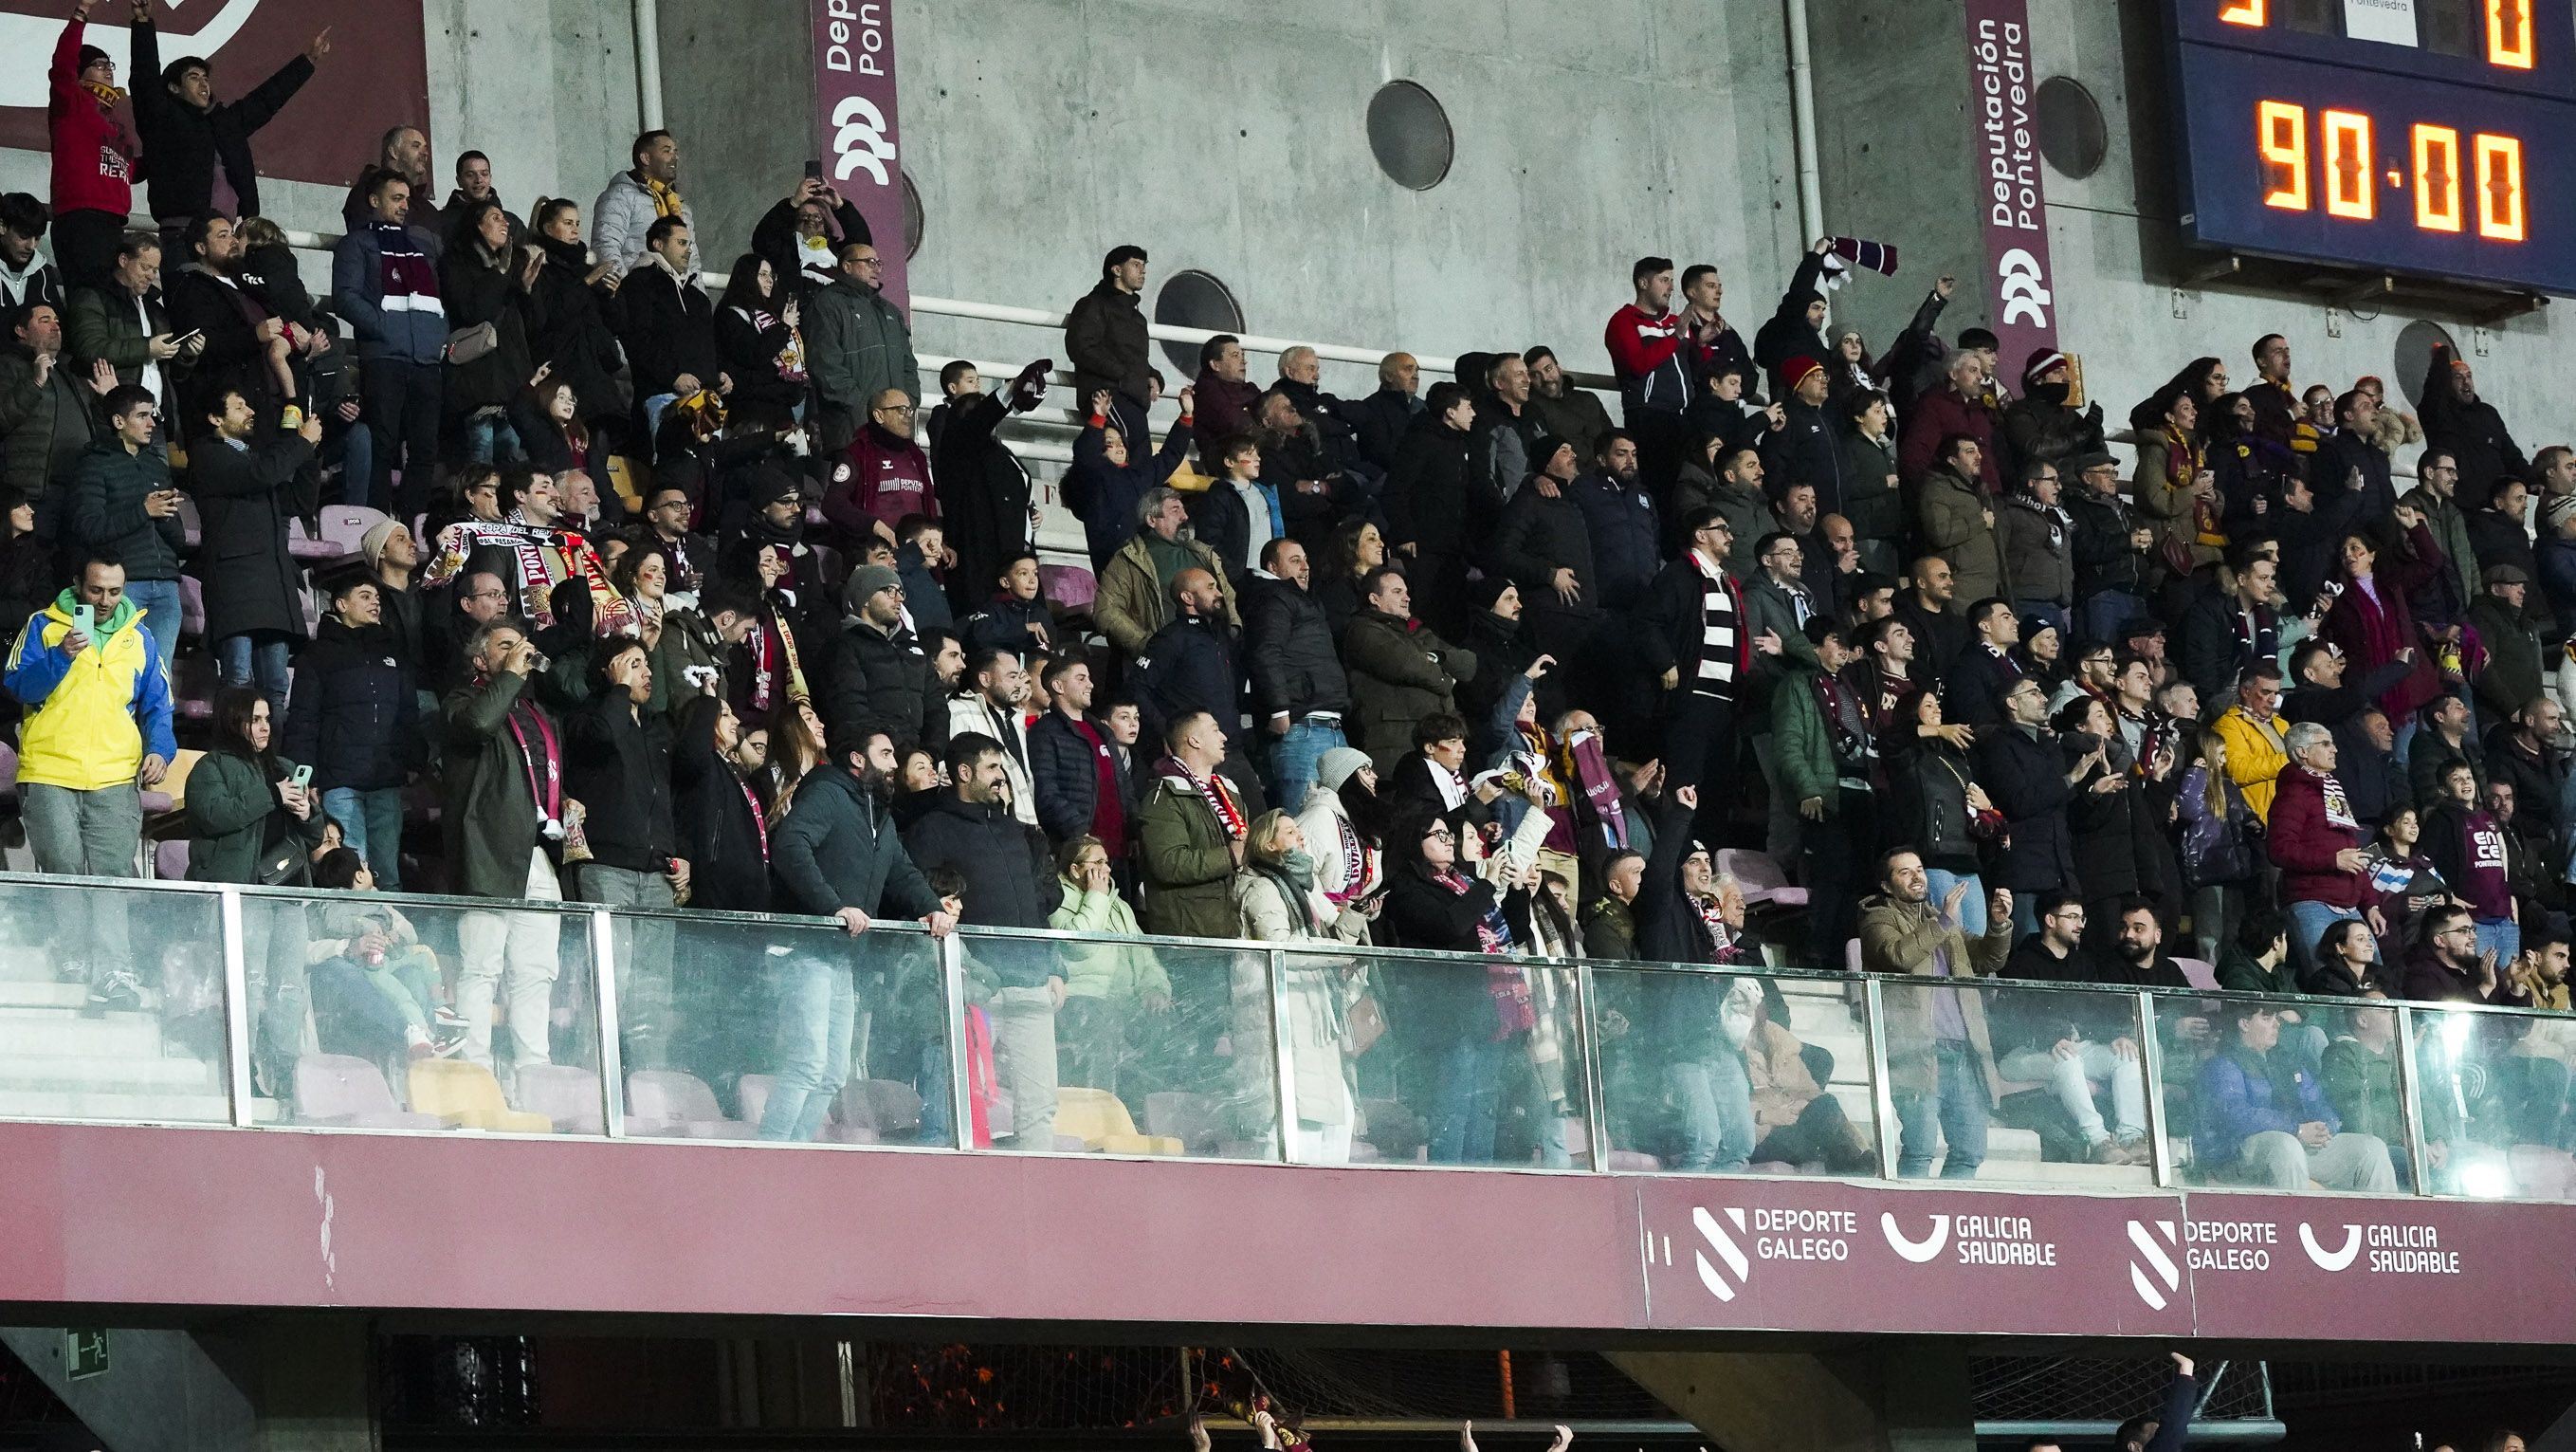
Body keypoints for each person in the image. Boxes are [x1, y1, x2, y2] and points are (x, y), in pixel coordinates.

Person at [4, 549, 173, 1009]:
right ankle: (74, 958)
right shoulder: (44, 625)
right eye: (96, 589)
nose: (104, 599)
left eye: (114, 591)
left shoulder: (139, 637)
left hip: (114, 776)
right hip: (50, 769)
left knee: (112, 875)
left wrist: (159, 749)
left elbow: (159, 704)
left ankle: (115, 969)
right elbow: (19, 685)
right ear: (78, 584)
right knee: (63, 866)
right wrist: (60, 656)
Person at [902, 732, 1066, 1150]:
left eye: (1002, 768)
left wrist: (1055, 966)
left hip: (1031, 983)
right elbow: (918, 898)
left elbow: (1036, 907)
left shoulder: (1017, 832)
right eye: (992, 768)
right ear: (963, 772)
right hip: (975, 990)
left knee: (1041, 1102)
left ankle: (1037, 1196)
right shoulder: (932, 830)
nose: (1001, 777)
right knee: (963, 1100)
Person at [441, 619, 574, 1092]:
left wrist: (565, 803)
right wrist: (511, 676)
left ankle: (534, 1073)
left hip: (537, 854)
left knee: (536, 973)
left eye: (522, 643)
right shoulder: (461, 702)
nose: (520, 650)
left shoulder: (538, 712)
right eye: (505, 645)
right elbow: (478, 724)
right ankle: (474, 1075)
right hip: (488, 852)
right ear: (480, 661)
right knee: (481, 969)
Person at [1860, 847, 2013, 1178]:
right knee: (1919, 1150)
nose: (1917, 877)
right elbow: (1898, 956)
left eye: (1920, 869)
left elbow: (1987, 959)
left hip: (1964, 1053)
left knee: (1970, 1151)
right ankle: (1909, 1219)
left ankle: (1951, 1219)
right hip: (1916, 1053)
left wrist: (1999, 926)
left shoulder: (1938, 920)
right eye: (1905, 872)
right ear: (1887, 886)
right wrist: (1944, 920)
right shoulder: (1878, 917)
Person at [1231, 809, 1371, 1160]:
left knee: (1337, 1119)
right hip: (1286, 1017)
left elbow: (1325, 939)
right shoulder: (1263, 888)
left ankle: (1325, 1207)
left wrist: (1355, 917)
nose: (1301, 837)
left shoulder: (1301, 888)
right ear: (1269, 843)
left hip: (1311, 1016)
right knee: (1297, 1128)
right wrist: (1339, 954)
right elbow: (1283, 948)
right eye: (1291, 832)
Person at [127, 6, 323, 232]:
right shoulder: (162, 119)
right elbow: (145, 79)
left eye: (205, 78)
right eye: (193, 77)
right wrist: (142, 23)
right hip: (183, 232)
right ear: (174, 87)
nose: (204, 84)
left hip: (225, 235)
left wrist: (307, 61)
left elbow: (265, 100)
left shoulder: (224, 122)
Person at [283, 571, 419, 891]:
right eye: (365, 596)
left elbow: (407, 713)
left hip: (386, 780)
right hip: (340, 781)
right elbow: (303, 719)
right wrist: (307, 779)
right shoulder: (318, 656)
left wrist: (413, 760)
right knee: (350, 873)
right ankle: (354, 939)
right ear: (341, 604)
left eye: (377, 598)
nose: (375, 603)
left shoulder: (394, 653)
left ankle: (390, 937)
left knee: (387, 873)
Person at [188, 386, 319, 712]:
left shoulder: (254, 459)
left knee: (275, 687)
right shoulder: (208, 454)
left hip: (272, 584)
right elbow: (261, 475)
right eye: (239, 406)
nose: (250, 412)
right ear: (215, 418)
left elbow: (299, 500)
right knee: (238, 682)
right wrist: (300, 443)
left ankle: (269, 760)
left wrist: (310, 453)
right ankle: (235, 757)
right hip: (235, 583)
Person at [1994, 894, 2151, 1166]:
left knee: (2126, 1057)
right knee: (2068, 1061)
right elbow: (2014, 1018)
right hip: (2023, 1052)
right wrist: (2051, 1038)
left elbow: (2099, 1010)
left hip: (2075, 1047)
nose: (2080, 925)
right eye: (2073, 917)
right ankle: (2098, 1141)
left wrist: (2115, 1036)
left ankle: (2130, 1138)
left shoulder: (2084, 964)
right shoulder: (2021, 962)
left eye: (2082, 918)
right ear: (2050, 920)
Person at [333, 170, 446, 515]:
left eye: (406, 199)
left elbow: (439, 299)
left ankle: (412, 524)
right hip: (384, 357)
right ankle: (380, 524)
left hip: (426, 360)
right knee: (383, 445)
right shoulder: (356, 243)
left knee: (425, 450)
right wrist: (383, 328)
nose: (404, 205)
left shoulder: (421, 245)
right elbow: (345, 298)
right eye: (396, 198)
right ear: (374, 200)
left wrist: (437, 336)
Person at [2194, 1002, 2399, 1191]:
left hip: (2298, 1144)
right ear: (2244, 1024)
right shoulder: (2222, 1064)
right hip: (2236, 1155)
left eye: (2276, 1018)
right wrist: (2296, 1129)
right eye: (2267, 1018)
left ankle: (2384, 1227)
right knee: (2286, 1146)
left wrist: (2325, 1127)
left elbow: (2317, 1101)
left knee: (2372, 1150)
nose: (2277, 1024)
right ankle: (2293, 1225)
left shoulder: (2287, 1062)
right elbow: (2236, 1116)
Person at [1773, 617, 1873, 963]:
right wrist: (1807, 789)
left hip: (1861, 795)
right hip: (1825, 797)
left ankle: (1847, 957)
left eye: (1847, 642)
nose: (1844, 649)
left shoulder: (1848, 683)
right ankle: (1816, 955)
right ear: (1814, 647)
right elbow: (1789, 744)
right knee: (1832, 877)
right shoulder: (1797, 685)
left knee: (1858, 882)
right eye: (1835, 640)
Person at [66, 383, 186, 671]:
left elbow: (179, 540)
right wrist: (143, 510)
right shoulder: (95, 464)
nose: (152, 423)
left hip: (167, 586)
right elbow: (88, 528)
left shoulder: (157, 467)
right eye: (142, 415)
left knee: (159, 679)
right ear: (119, 422)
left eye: (153, 415)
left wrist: (165, 514)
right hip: (122, 587)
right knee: (116, 675)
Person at [1050, 834, 1167, 1096]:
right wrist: (1096, 897)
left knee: (1174, 1032)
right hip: (1084, 1000)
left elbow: (1145, 955)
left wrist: (1155, 989)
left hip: (1126, 1000)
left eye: (1108, 861)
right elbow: (1079, 944)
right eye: (1098, 862)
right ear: (1075, 869)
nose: (1107, 868)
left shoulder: (1120, 906)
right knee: (1101, 1029)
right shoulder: (1057, 899)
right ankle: (1100, 1117)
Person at [1241, 538, 1353, 812]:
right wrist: (1279, 709)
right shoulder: (1273, 597)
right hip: (1303, 730)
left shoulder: (1302, 600)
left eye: (1306, 560)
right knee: (1302, 825)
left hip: (1330, 728)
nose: (1305, 567)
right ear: (1272, 566)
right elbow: (1266, 651)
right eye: (1294, 561)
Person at [1343, 566, 1478, 777]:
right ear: (1374, 599)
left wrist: (1437, 657)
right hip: (1397, 747)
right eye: (1397, 592)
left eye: (1406, 592)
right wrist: (1445, 680)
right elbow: (1407, 665)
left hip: (1441, 746)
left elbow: (1467, 665)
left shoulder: (1419, 633)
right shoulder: (1363, 631)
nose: (1406, 598)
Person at [2269, 720, 2381, 968]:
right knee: (2329, 979)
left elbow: (2351, 852)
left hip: (2350, 905)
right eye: (2326, 744)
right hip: (2312, 904)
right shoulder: (2294, 794)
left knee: (2375, 980)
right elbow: (2279, 849)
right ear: (2302, 752)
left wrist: (2370, 903)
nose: (2335, 749)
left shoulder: (2333, 792)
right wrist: (2333, 860)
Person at [46, 2, 139, 289]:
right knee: (90, 303)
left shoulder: (115, 121)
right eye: (98, 65)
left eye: (109, 65)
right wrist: (81, 13)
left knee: (111, 307)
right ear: (80, 73)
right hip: (81, 219)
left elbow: (130, 171)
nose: (107, 70)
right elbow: (62, 65)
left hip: (113, 222)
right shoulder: (71, 102)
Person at [806, 242, 915, 452]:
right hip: (852, 428)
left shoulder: (891, 311)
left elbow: (908, 363)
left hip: (896, 425)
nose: (876, 268)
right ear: (846, 267)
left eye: (878, 263)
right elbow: (824, 364)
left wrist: (909, 400)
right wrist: (862, 406)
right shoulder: (827, 304)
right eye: (869, 262)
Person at [0, 301, 112, 502]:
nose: (56, 326)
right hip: (29, 494)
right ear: (21, 330)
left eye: (57, 321)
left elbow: (99, 433)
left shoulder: (69, 373)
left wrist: (106, 400)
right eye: (45, 320)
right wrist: (35, 383)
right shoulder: (8, 365)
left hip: (75, 490)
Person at [2420, 343, 2527, 510]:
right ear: (2447, 383)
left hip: (2497, 511)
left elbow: (2511, 455)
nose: (2466, 381)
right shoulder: (2439, 417)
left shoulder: (2488, 414)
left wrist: (2532, 479)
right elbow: (2433, 392)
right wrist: (2441, 356)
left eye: (2469, 376)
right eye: (2458, 377)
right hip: (2461, 511)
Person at [1065, 245, 1153, 441]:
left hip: (1134, 398)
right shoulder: (1092, 304)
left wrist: (1153, 375)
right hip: (1108, 395)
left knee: (1138, 460)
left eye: (1144, 266)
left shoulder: (1137, 318)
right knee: (1130, 455)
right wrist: (1121, 374)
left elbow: (1135, 358)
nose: (1143, 271)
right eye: (1136, 264)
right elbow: (1081, 347)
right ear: (1117, 270)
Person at [944, 646, 1038, 826]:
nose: (1018, 684)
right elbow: (949, 775)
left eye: (1019, 677)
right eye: (1011, 677)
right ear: (985, 679)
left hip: (1023, 828)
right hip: (982, 825)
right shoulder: (958, 712)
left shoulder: (1015, 717)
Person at [1916, 432, 2006, 608]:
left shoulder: (1979, 489)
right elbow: (1940, 533)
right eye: (1970, 451)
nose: (1979, 456)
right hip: (1961, 589)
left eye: (1978, 451)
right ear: (1952, 460)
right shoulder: (1937, 489)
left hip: (1987, 586)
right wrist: (1981, 521)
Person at [0, 195, 64, 315]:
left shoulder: (44, 273)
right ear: (2, 227)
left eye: (37, 238)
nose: (31, 246)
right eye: (24, 236)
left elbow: (60, 323)